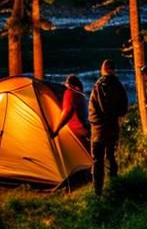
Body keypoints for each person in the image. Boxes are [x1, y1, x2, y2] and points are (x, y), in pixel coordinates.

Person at [88, 60, 129, 196]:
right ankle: (114, 186)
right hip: (112, 128)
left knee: (97, 160)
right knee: (110, 157)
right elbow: (123, 109)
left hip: (99, 130)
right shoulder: (119, 86)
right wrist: (114, 115)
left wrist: (94, 122)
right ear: (114, 70)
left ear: (103, 70)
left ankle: (97, 192)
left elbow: (93, 110)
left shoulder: (97, 87)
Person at [51, 74, 90, 147]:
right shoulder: (81, 94)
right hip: (86, 129)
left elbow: (67, 111)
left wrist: (56, 130)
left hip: (77, 131)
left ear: (70, 85)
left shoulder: (69, 93)